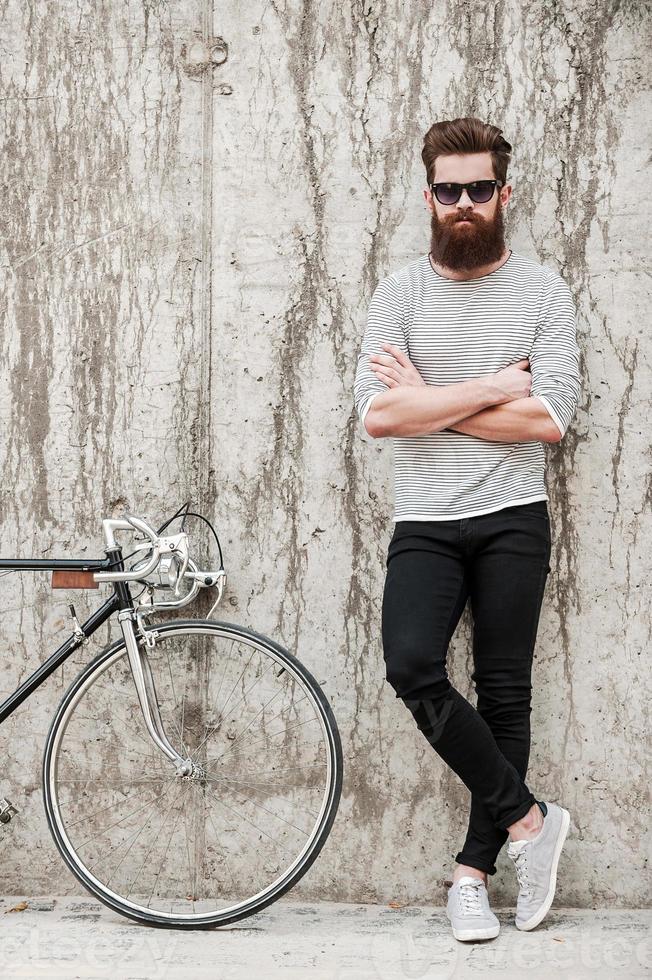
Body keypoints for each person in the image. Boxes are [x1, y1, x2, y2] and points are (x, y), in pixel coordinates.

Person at [353, 116, 581, 942]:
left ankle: (473, 873)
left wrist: (432, 399)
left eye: (478, 189)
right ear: (428, 197)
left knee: (504, 692)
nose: (462, 204)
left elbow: (549, 420)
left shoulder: (543, 292)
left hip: (512, 517)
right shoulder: (400, 293)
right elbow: (379, 417)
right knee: (413, 665)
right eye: (447, 190)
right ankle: (530, 820)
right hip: (427, 519)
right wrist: (491, 386)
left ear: (503, 194)